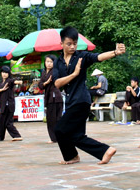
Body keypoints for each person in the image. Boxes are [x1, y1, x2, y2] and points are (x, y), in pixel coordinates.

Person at [52, 26, 124, 165]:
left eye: (75, 43)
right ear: (61, 44)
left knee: (60, 129)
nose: (72, 47)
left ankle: (82, 154)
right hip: (71, 101)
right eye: (69, 44)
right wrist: (74, 74)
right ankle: (98, 152)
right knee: (77, 136)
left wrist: (115, 52)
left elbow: (99, 57)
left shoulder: (81, 56)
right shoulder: (57, 62)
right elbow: (57, 83)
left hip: (81, 100)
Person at [0, 65, 23, 141]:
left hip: (9, 104)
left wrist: (19, 82)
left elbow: (14, 81)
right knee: (1, 121)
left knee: (8, 122)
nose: (4, 74)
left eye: (6, 73)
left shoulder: (9, 81)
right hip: (3, 105)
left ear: (8, 74)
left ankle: (17, 136)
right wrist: (3, 89)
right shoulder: (0, 83)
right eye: (3, 72)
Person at [38, 55, 63, 143]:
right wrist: (46, 83)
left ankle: (56, 138)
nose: (49, 64)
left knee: (55, 119)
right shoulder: (44, 72)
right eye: (47, 61)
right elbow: (40, 85)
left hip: (55, 97)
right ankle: (55, 137)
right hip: (49, 98)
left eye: (51, 62)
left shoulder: (55, 72)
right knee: (51, 119)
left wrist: (45, 83)